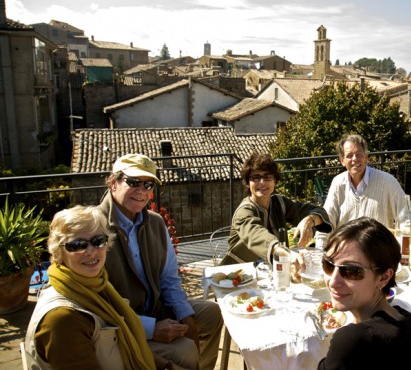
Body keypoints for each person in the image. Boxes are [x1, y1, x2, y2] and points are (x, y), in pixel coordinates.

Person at [99, 153, 224, 370]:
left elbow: (169, 279)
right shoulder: (94, 229)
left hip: (156, 309)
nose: (142, 191)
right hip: (122, 326)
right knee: (185, 349)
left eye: (148, 184)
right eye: (133, 182)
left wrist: (186, 317)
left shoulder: (155, 223)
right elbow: (98, 306)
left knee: (211, 314)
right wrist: (150, 328)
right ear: (113, 182)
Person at [24, 205, 162, 369]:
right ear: (58, 252)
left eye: (98, 241)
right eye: (77, 245)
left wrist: (166, 364)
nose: (91, 251)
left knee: (184, 351)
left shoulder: (93, 283)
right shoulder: (62, 319)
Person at [317, 217, 411, 369]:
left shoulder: (351, 340)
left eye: (351, 271)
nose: (333, 281)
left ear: (384, 277)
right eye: (328, 265)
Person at [221, 152, 333, 265]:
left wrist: (309, 220)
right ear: (248, 183)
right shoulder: (244, 212)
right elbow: (256, 235)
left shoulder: (279, 203)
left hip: (274, 270)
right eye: (256, 177)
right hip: (239, 275)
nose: (262, 182)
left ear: (275, 181)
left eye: (267, 177)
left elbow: (318, 211)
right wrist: (283, 252)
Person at [323, 134, 411, 230]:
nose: (354, 159)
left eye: (358, 154)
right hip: (346, 244)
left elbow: (409, 218)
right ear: (342, 161)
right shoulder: (338, 183)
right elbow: (327, 220)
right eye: (349, 156)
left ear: (366, 156)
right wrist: (320, 245)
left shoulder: (387, 182)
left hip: (377, 244)